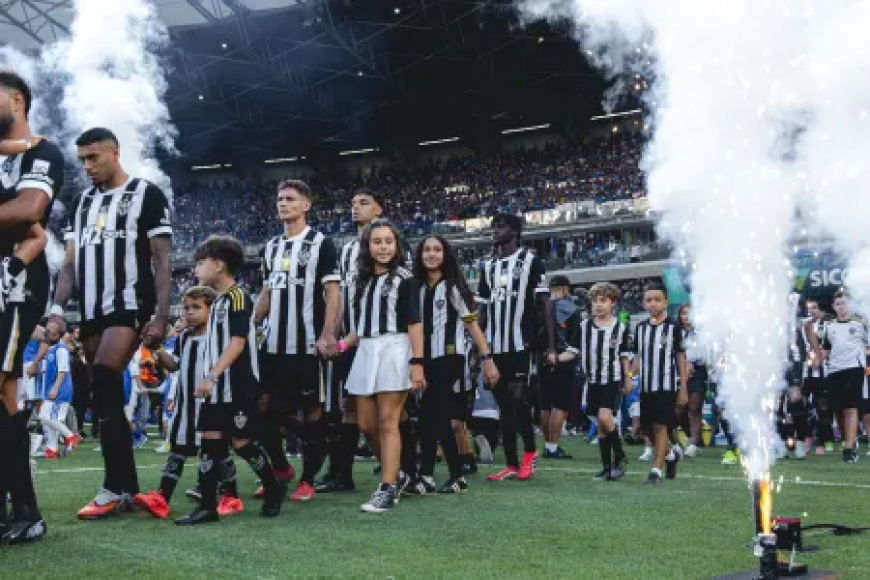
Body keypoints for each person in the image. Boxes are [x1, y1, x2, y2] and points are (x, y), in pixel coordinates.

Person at [49, 127, 172, 519]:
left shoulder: (146, 194)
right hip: (90, 310)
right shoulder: (81, 202)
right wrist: (56, 307)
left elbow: (162, 261)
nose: (87, 166)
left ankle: (112, 486)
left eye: (94, 157)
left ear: (115, 153)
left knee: (104, 375)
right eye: (82, 159)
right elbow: (69, 263)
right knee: (104, 399)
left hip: (131, 303)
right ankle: (126, 486)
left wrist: (162, 315)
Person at [175, 236, 286, 525]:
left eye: (201, 263)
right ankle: (208, 507)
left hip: (236, 386)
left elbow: (237, 343)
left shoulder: (238, 297)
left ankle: (274, 487)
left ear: (220, 266)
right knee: (210, 443)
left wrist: (211, 376)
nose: (196, 268)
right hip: (217, 388)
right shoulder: (218, 301)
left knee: (242, 444)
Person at [0, 70, 65, 544]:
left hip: (13, 284)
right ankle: (20, 508)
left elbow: (28, 210)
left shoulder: (44, 152)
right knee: (3, 398)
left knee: (2, 387)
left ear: (16, 99)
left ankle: (26, 511)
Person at [254, 179, 341, 503]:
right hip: (272, 346)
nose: (282, 203)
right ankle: (280, 467)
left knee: (312, 412)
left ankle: (308, 479)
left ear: (306, 205)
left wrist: (328, 333)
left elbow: (333, 292)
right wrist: (250, 327)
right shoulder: (271, 247)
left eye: (290, 198)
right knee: (262, 409)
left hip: (306, 345)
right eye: (279, 198)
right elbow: (266, 292)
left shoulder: (321, 243)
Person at [337, 219, 425, 512]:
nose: (383, 247)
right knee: (365, 424)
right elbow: (359, 328)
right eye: (377, 241)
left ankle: (387, 488)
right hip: (366, 350)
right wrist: (337, 346)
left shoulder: (405, 279)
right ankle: (396, 473)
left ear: (397, 245)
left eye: (388, 241)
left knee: (389, 422)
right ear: (367, 246)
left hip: (395, 348)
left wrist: (417, 363)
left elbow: (414, 324)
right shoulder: (361, 281)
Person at [135, 285, 241, 519]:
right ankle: (162, 497)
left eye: (196, 307)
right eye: (186, 308)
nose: (189, 312)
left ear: (212, 310)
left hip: (210, 406)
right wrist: (156, 349)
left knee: (218, 454)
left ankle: (231, 495)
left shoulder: (219, 338)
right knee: (179, 451)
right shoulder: (184, 337)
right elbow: (174, 365)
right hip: (186, 406)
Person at [411, 235, 499, 494]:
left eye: (437, 249)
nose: (431, 254)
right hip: (423, 359)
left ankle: (450, 474)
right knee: (431, 419)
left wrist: (487, 359)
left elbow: (472, 325)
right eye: (426, 249)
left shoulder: (453, 287)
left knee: (434, 417)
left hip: (449, 358)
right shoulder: (414, 286)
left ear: (445, 255)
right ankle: (432, 475)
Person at [317, 188, 389, 494]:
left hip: (381, 339)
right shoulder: (346, 249)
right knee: (345, 407)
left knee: (388, 410)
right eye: (352, 203)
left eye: (363, 203)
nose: (355, 208)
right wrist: (332, 332)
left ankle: (404, 469)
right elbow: (340, 296)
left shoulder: (388, 244)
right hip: (350, 340)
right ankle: (341, 472)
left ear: (379, 209)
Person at [477, 213, 553, 482]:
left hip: (521, 345)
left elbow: (545, 306)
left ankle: (530, 454)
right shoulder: (487, 267)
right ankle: (510, 464)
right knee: (503, 407)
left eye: (501, 226)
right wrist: (480, 348)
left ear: (516, 231)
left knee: (518, 400)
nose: (495, 231)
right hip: (495, 348)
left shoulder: (532, 261)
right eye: (494, 226)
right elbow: (483, 312)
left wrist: (551, 346)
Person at [575, 282, 632, 479]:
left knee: (605, 418)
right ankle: (607, 468)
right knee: (600, 425)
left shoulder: (620, 327)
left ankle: (621, 454)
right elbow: (574, 351)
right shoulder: (583, 327)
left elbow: (624, 356)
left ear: (612, 303)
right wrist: (556, 358)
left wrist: (628, 379)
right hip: (592, 381)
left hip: (612, 379)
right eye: (594, 301)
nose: (598, 305)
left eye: (603, 300)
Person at [633, 282, 687, 484]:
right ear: (644, 303)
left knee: (660, 426)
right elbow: (638, 357)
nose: (653, 303)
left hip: (666, 385)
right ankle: (671, 456)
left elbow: (681, 358)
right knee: (645, 429)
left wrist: (683, 388)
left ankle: (656, 470)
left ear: (665, 302)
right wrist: (630, 376)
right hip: (645, 386)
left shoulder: (673, 328)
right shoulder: (640, 329)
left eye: (657, 299)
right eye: (648, 300)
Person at [821, 290, 868, 464]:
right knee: (838, 410)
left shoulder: (861, 324)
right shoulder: (829, 327)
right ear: (833, 307)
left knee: (851, 407)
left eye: (845, 303)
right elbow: (825, 351)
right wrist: (817, 359)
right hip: (834, 371)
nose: (842, 307)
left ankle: (848, 448)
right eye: (839, 304)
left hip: (854, 369)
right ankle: (848, 439)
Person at [540, 275, 582, 460]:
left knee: (545, 405)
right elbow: (574, 340)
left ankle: (547, 445)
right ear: (566, 289)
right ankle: (552, 447)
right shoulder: (572, 309)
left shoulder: (541, 307)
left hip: (542, 359)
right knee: (561, 405)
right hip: (564, 359)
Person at [38, 322, 81, 459]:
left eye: (52, 328)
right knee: (49, 419)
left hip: (60, 389)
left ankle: (70, 436)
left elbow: (63, 371)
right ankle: (52, 449)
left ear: (59, 332)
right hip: (51, 388)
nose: (49, 330)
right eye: (48, 328)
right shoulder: (52, 348)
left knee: (45, 417)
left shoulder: (61, 349)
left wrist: (56, 388)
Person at [802, 299, 833, 455]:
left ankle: (824, 440)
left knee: (823, 407)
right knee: (804, 407)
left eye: (814, 307)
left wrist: (820, 356)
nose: (811, 311)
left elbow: (830, 345)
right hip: (804, 372)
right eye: (809, 308)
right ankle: (806, 437)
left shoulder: (827, 323)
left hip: (824, 371)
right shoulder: (802, 324)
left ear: (819, 309)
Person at [678, 304, 706, 458]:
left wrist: (692, 363)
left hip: (697, 371)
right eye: (683, 313)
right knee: (680, 408)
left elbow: (705, 352)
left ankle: (694, 443)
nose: (686, 316)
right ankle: (691, 436)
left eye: (690, 313)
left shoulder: (702, 333)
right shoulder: (676, 332)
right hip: (678, 372)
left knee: (694, 407)